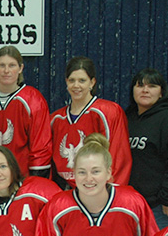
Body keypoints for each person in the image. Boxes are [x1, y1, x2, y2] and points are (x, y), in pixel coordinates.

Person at [49, 56, 131, 188]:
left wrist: (112, 192)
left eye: (82, 80)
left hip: (98, 190)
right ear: (66, 82)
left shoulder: (108, 112)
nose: (76, 85)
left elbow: (119, 154)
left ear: (92, 82)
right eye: (72, 80)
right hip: (66, 191)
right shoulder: (56, 118)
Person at [0, 45, 52, 178]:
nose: (6, 70)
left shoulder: (33, 100)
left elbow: (41, 145)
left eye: (12, 65)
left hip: (20, 176)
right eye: (2, 65)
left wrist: (37, 179)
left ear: (20, 68)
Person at [126, 68, 168, 229]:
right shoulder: (126, 118)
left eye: (152, 86)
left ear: (162, 92)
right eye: (140, 85)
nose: (145, 90)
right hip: (130, 204)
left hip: (161, 208)